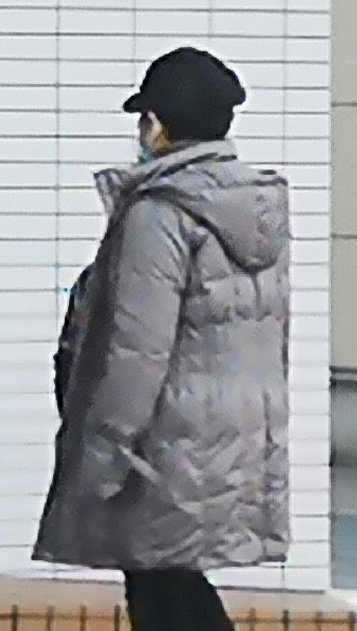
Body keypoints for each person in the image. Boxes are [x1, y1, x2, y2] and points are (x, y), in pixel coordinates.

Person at [33, 46, 291, 631]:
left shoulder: (158, 215)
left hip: (162, 444)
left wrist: (101, 458)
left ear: (158, 126)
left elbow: (135, 352)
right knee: (173, 584)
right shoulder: (257, 210)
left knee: (162, 592)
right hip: (233, 435)